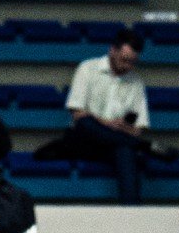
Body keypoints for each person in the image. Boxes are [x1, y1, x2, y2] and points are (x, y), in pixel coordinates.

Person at [42, 27, 157, 206]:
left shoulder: (136, 83)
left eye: (132, 62)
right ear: (113, 50)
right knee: (86, 125)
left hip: (114, 143)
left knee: (125, 151)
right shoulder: (87, 69)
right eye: (124, 60)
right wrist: (108, 124)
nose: (127, 66)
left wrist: (122, 128)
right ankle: (143, 147)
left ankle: (132, 211)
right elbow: (77, 114)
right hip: (86, 139)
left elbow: (138, 129)